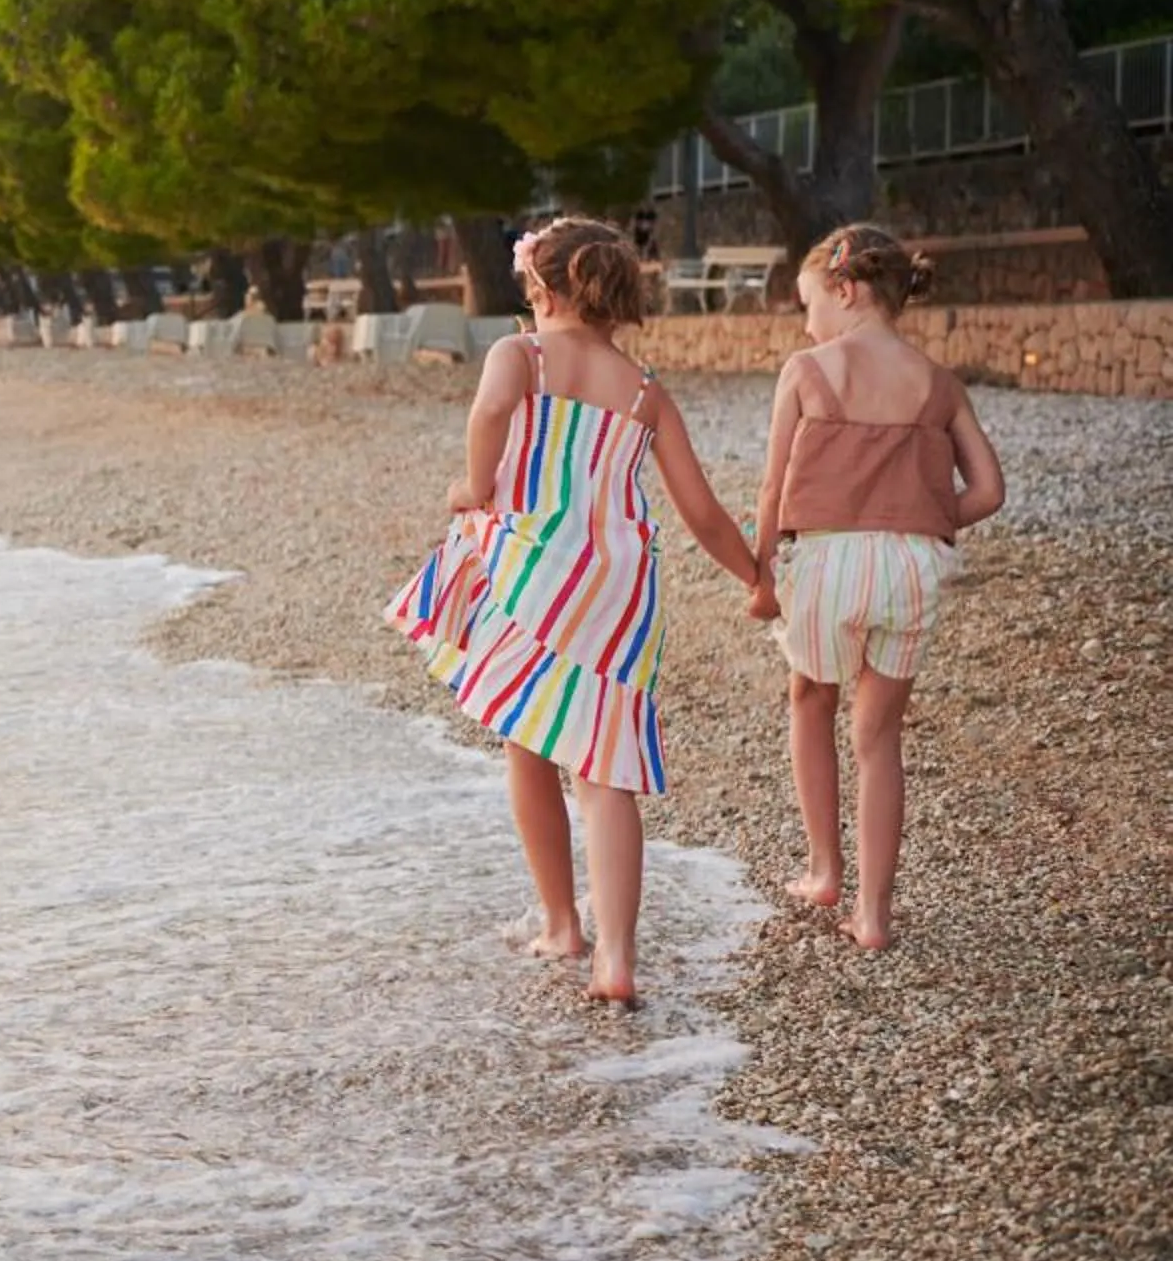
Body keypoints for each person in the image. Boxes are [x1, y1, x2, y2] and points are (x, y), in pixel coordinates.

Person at [389, 216, 761, 1004]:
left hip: (538, 573)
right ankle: (616, 961)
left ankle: (563, 923)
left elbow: (490, 412)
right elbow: (700, 513)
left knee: (527, 741)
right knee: (604, 768)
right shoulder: (646, 392)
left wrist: (475, 485)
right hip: (621, 590)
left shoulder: (519, 355)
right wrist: (755, 576)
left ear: (544, 289)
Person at [746, 224, 1005, 951]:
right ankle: (874, 915)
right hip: (911, 567)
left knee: (811, 697)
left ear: (845, 289)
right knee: (879, 735)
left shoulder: (807, 369)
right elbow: (989, 490)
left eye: (808, 304)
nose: (806, 323)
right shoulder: (937, 381)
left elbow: (771, 490)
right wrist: (919, 516)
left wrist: (764, 579)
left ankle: (825, 869)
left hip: (828, 562)